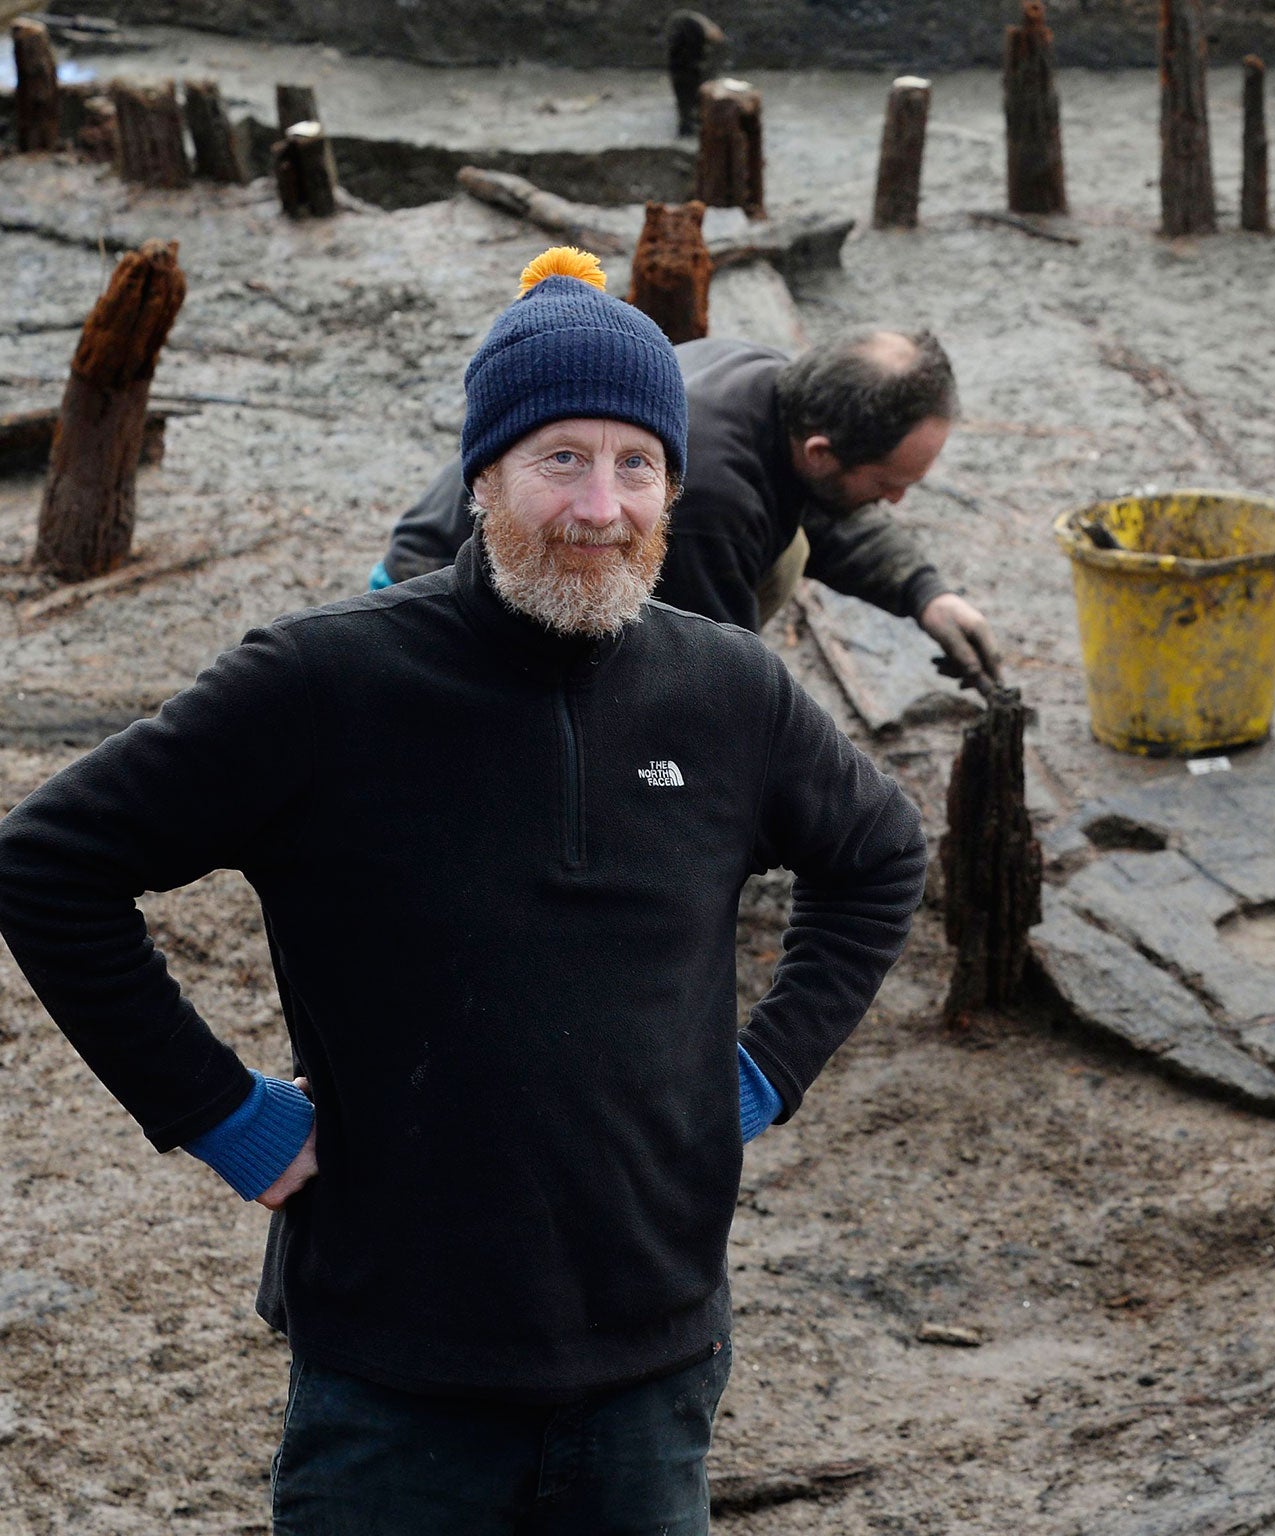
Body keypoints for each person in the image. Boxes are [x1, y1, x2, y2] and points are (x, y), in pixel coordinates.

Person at [0, 248, 928, 1533]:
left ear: (672, 480)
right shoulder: (325, 685)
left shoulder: (729, 692)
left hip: (653, 1361)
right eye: (560, 459)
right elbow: (49, 862)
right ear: (482, 473)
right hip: (395, 1377)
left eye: (635, 464)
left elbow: (879, 855)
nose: (600, 507)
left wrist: (763, 1072)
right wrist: (219, 1113)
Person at [375, 328, 1006, 694]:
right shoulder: (712, 502)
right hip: (443, 603)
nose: (894, 502)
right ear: (819, 450)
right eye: (889, 484)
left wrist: (926, 594)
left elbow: (828, 506)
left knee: (788, 547)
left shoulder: (770, 380)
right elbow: (707, 684)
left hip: (525, 551)